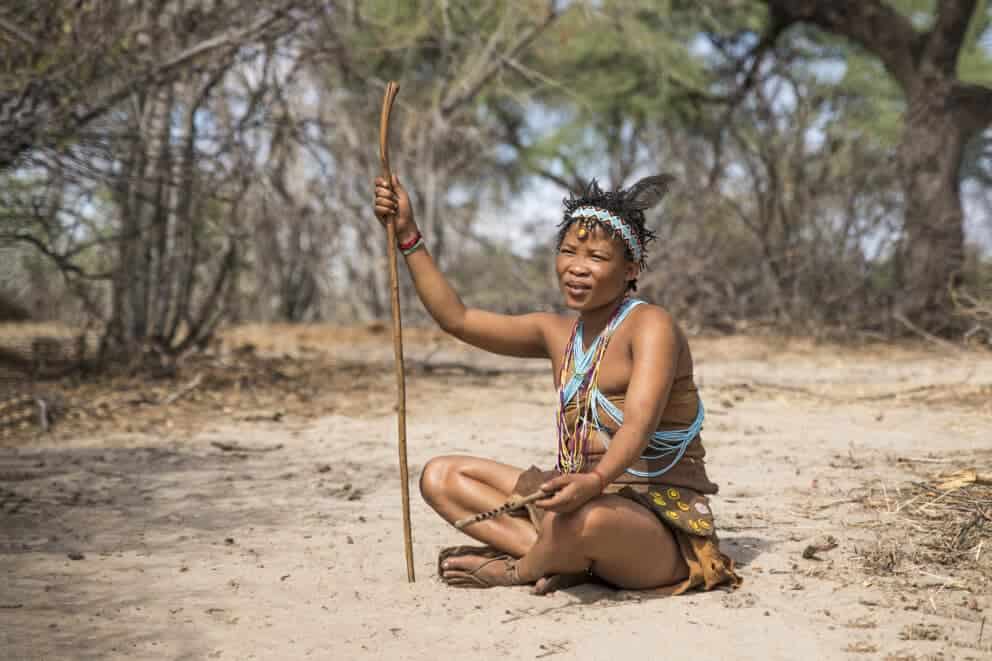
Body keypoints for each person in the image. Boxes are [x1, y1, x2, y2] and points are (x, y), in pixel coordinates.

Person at [372, 173, 740, 595]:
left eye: (596, 257)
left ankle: (520, 569)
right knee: (440, 477)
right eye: (567, 252)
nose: (576, 267)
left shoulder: (651, 326)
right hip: (575, 499)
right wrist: (408, 234)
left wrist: (594, 482)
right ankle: (565, 559)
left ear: (631, 269)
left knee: (587, 520)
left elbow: (638, 425)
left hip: (652, 526)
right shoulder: (556, 333)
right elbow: (458, 319)